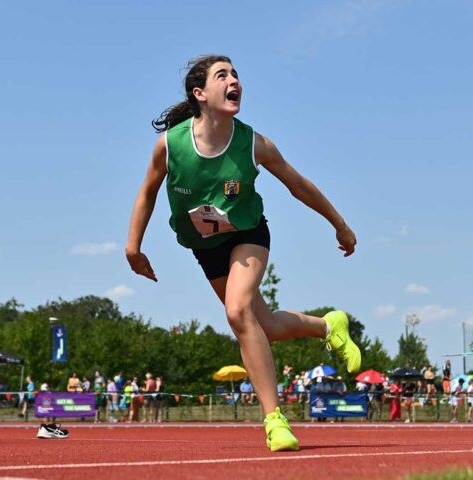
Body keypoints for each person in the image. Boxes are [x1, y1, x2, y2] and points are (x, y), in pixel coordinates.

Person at [124, 55, 361, 452]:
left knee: (237, 312)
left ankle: (274, 419)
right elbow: (148, 191)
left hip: (248, 233)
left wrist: (339, 223)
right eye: (223, 75)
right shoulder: (171, 145)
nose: (234, 81)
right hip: (205, 246)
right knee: (261, 325)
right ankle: (327, 326)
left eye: (236, 74)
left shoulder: (253, 143)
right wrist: (133, 247)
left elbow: (298, 184)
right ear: (200, 93)